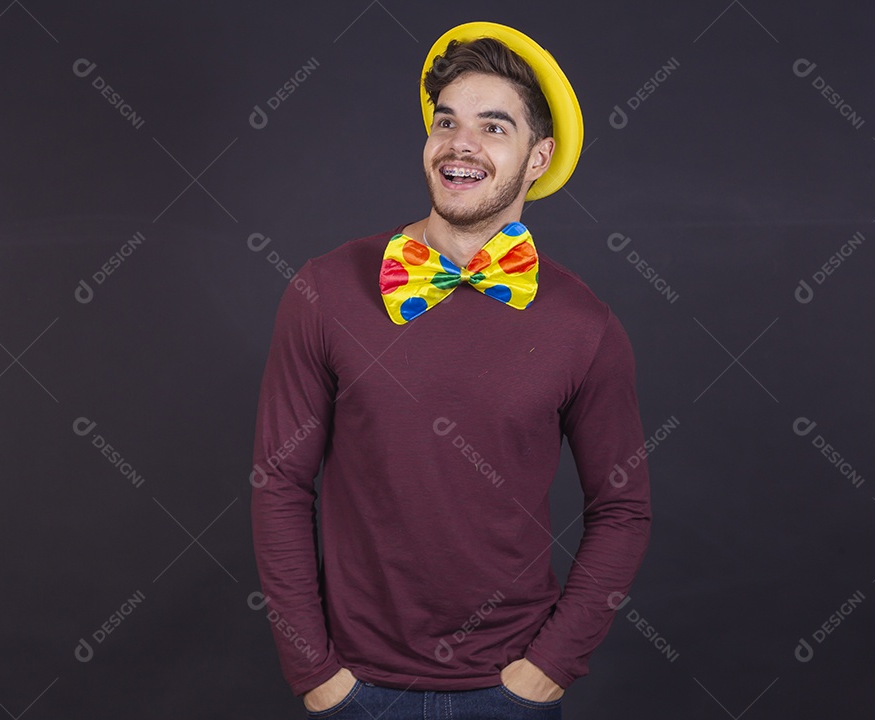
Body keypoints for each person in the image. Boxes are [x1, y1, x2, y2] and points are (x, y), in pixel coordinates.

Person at [250, 21, 651, 719]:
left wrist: (549, 669)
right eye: (447, 122)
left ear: (538, 157)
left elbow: (622, 509)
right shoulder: (324, 289)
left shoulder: (585, 325)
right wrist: (314, 670)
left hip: (511, 694)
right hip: (353, 692)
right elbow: (279, 482)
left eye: (494, 127)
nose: (461, 143)